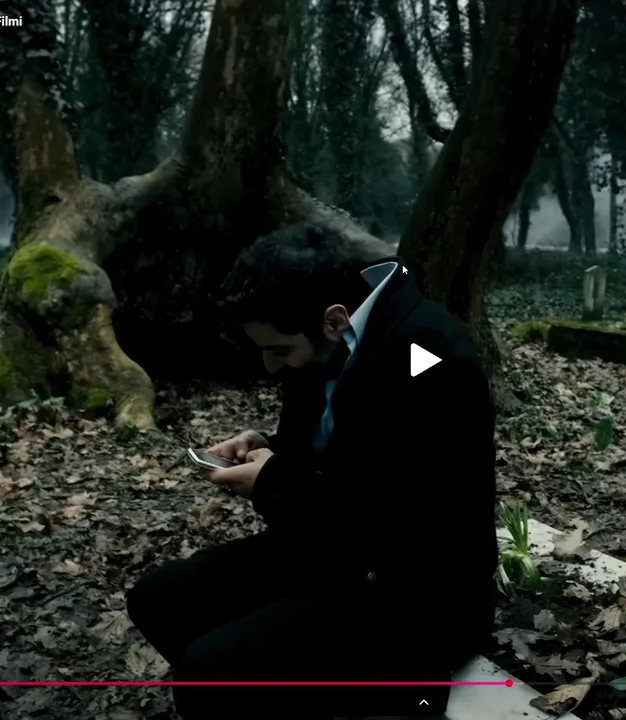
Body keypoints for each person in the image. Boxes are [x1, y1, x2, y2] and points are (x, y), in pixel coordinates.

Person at [125, 223, 497, 719]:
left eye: (279, 349)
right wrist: (270, 446)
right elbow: (345, 448)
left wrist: (273, 482)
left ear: (334, 319)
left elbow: (393, 516)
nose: (271, 366)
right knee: (158, 600)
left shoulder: (428, 357)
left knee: (206, 675)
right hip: (330, 553)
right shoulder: (333, 343)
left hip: (413, 593)